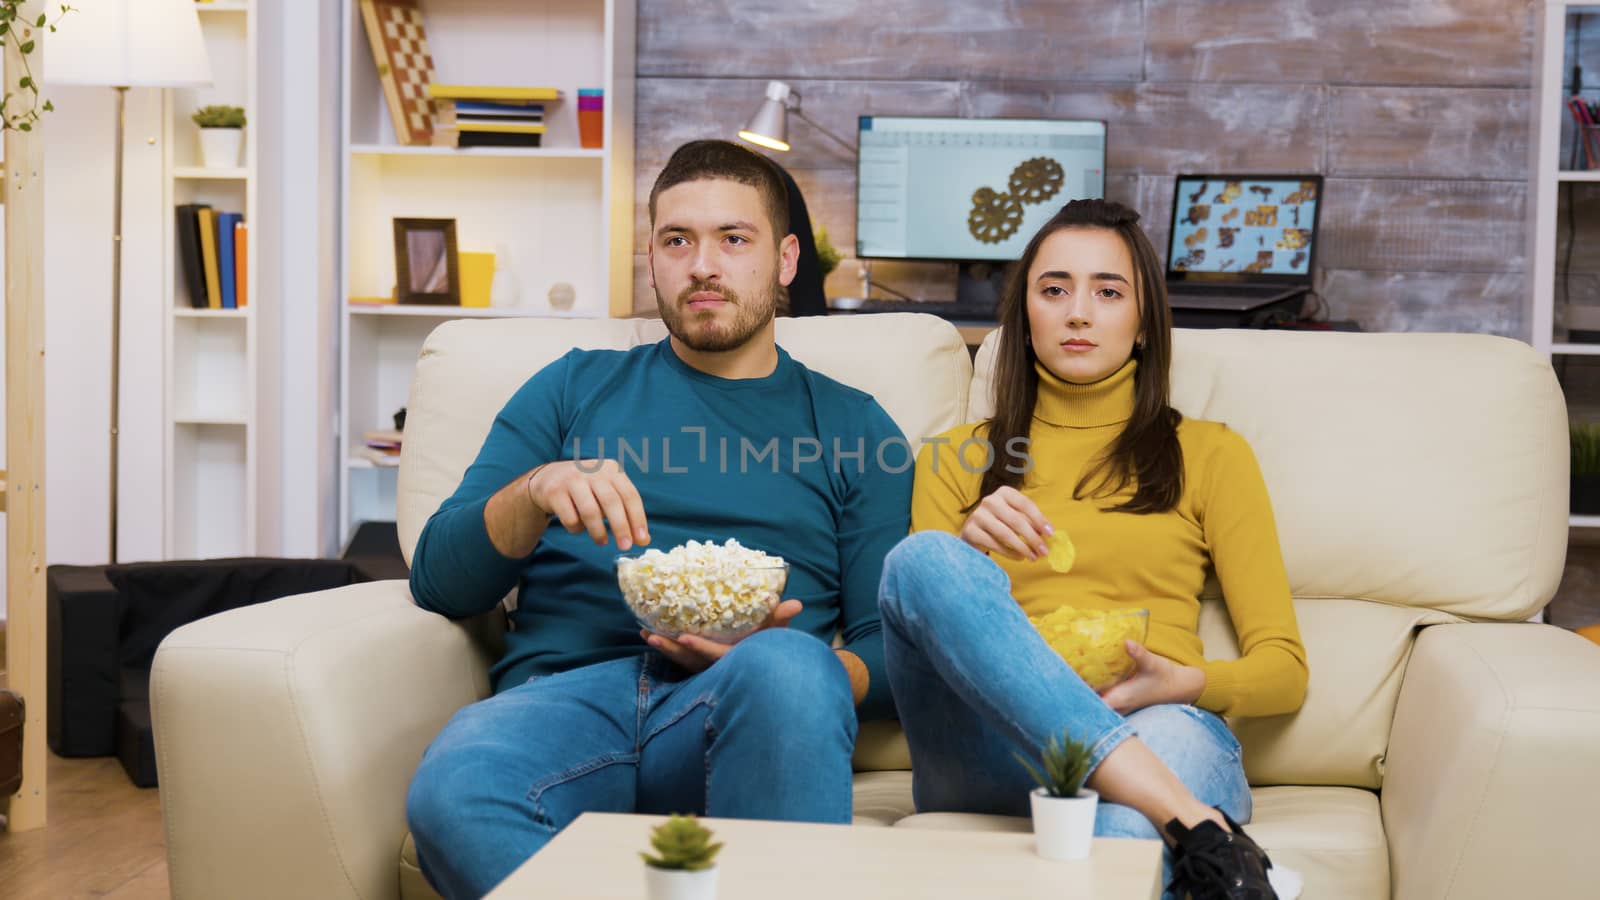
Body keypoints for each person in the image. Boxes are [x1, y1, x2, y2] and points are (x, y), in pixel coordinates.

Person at [405, 139, 910, 899]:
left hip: (750, 707)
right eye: (678, 241)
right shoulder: (573, 387)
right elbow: (440, 580)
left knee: (790, 665)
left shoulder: (855, 426)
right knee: (456, 791)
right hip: (567, 697)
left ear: (784, 260)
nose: (702, 265)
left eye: (733, 240)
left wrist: (800, 671)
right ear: (653, 258)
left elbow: (890, 651)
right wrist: (535, 489)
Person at [877, 198, 1309, 900]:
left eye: (1108, 292)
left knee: (1129, 827)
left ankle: (1166, 816)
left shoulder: (1213, 456)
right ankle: (1196, 823)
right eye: (1054, 290)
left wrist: (1186, 682)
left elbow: (1285, 669)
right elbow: (923, 646)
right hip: (990, 747)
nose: (1078, 312)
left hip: (1157, 722)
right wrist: (963, 548)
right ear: (1025, 319)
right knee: (922, 560)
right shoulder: (955, 458)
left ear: (1143, 325)